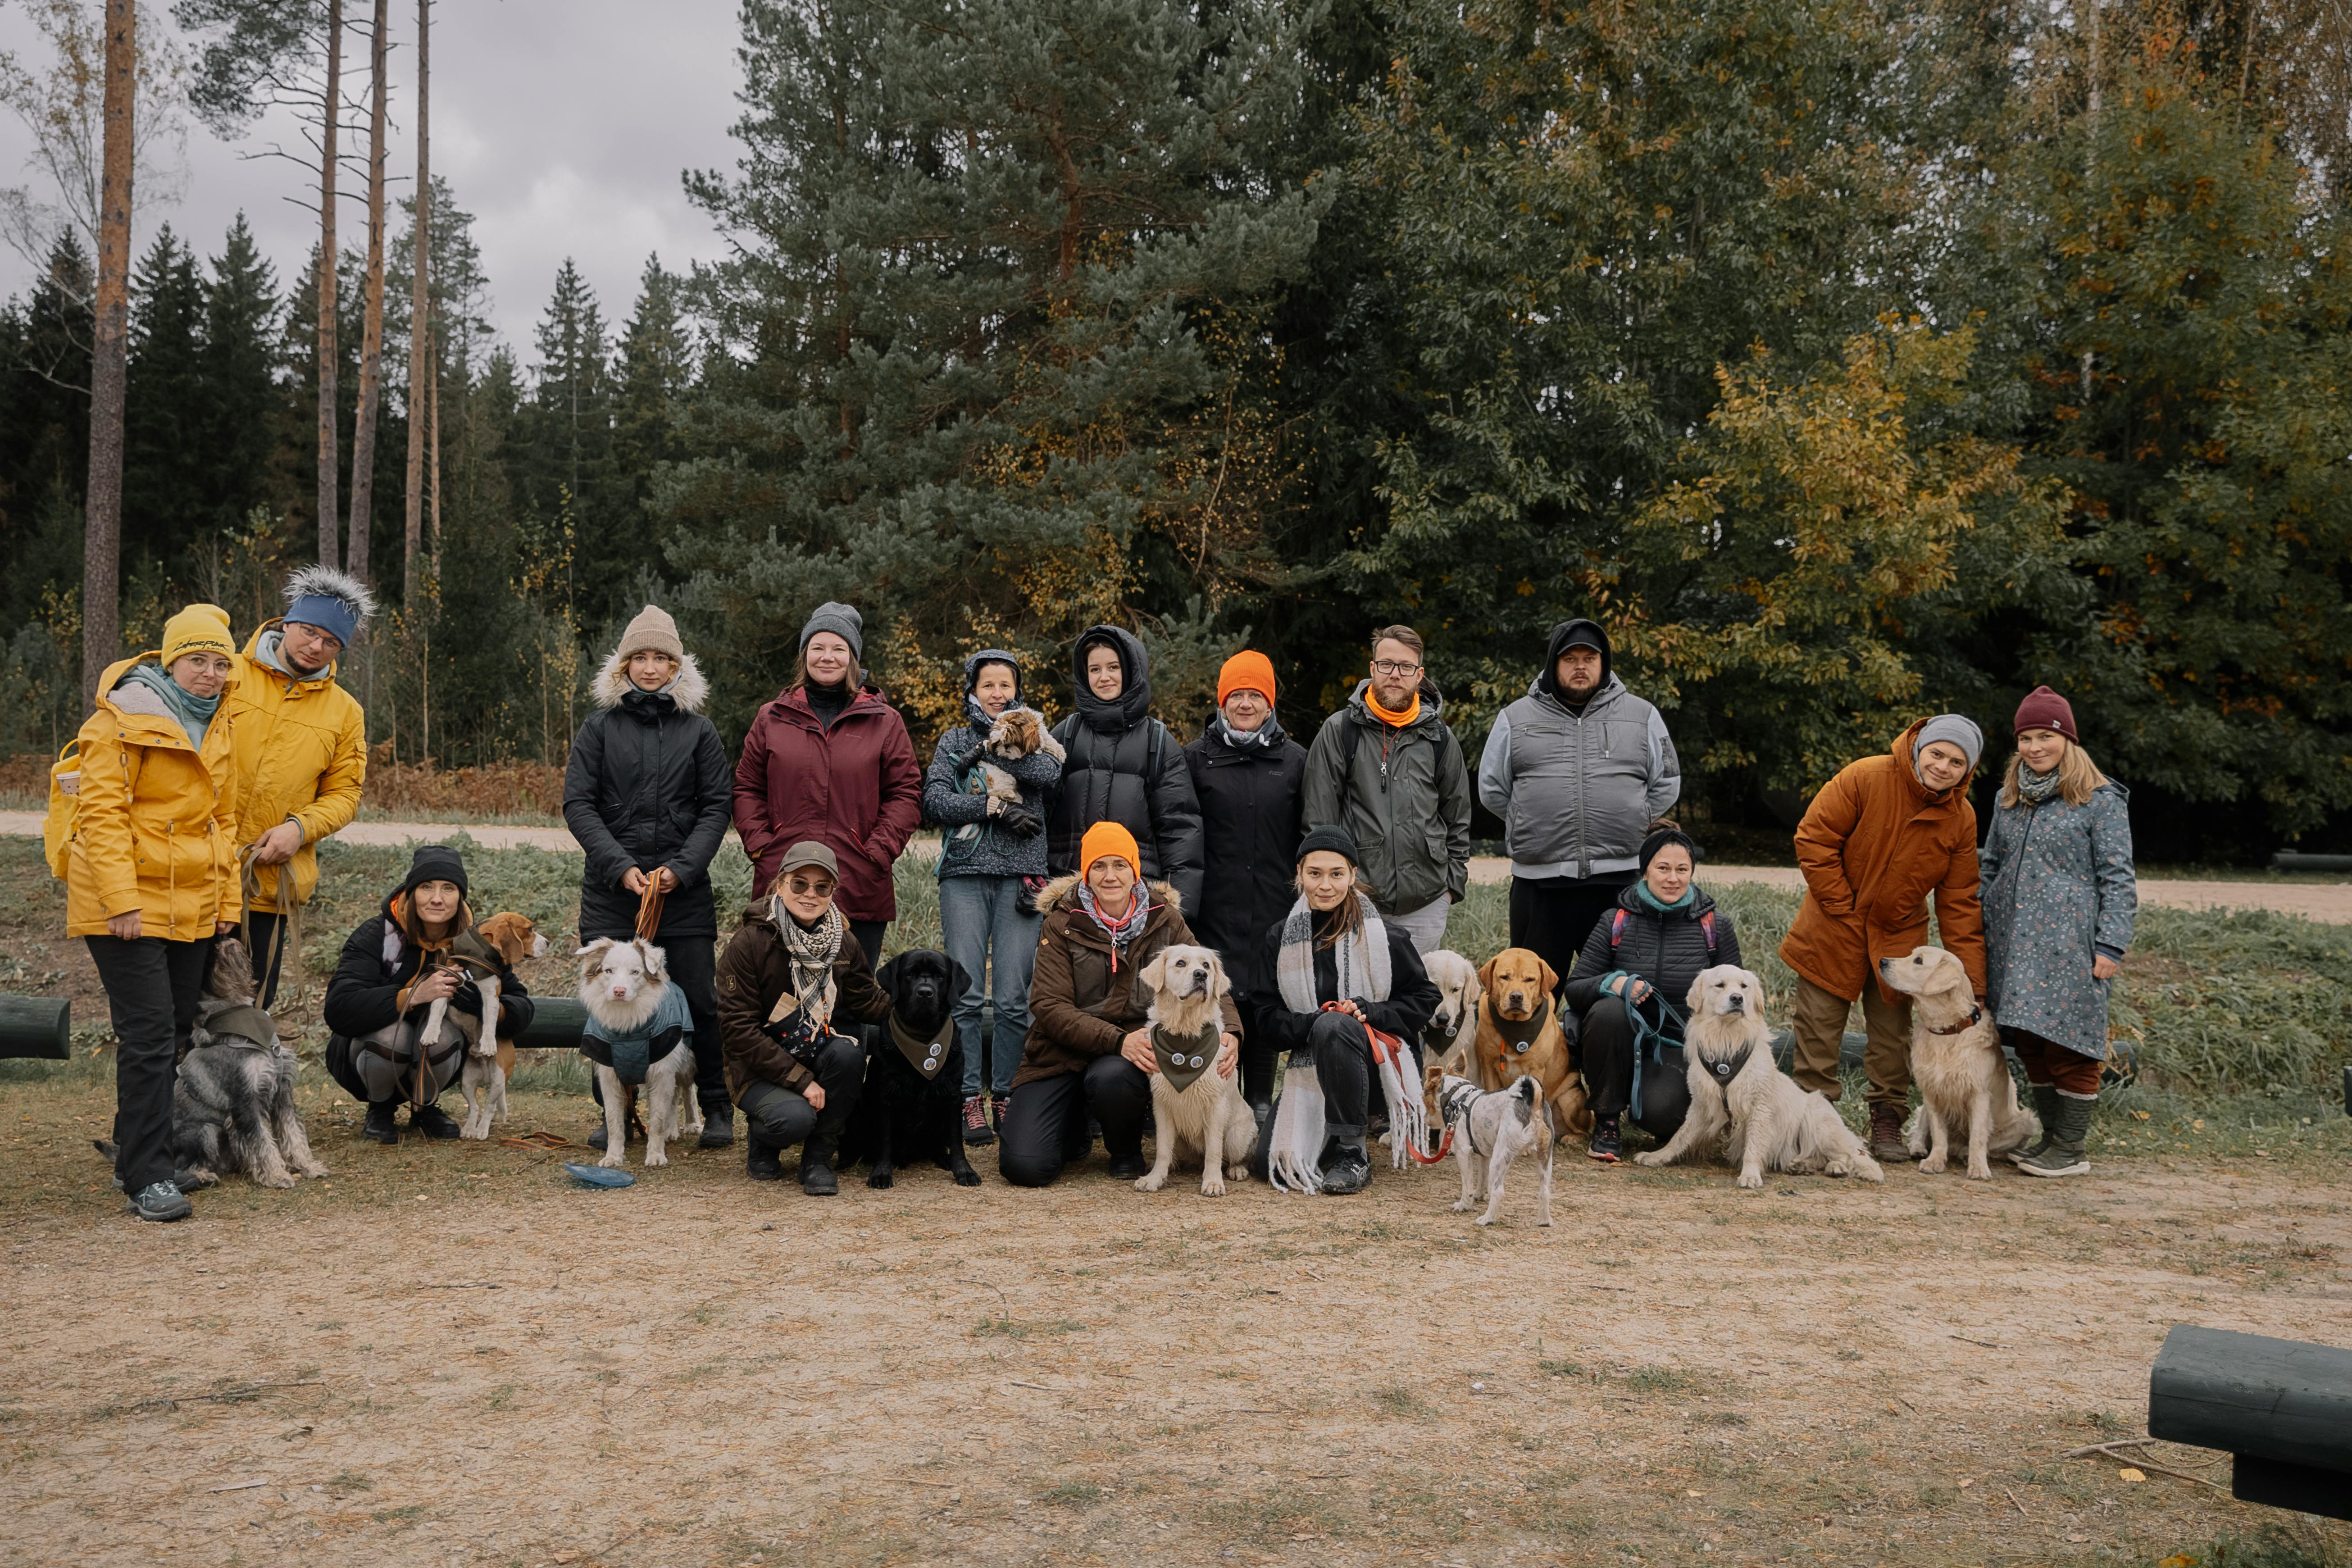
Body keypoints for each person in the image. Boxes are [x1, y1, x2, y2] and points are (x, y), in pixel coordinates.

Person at [66, 604, 243, 1222]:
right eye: (199, 660)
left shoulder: (219, 724)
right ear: (171, 661)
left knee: (170, 1034)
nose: (211, 673)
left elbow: (223, 822)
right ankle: (148, 1176)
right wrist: (121, 900)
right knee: (146, 1037)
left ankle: (140, 1158)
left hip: (192, 903)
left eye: (222, 662)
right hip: (126, 905)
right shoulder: (118, 720)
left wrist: (226, 903)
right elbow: (102, 817)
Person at [564, 605, 736, 1150]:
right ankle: (617, 1117)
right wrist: (622, 867)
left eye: (662, 657)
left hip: (682, 896)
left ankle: (714, 1108)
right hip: (611, 893)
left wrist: (679, 870)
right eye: (640, 656)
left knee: (699, 1004)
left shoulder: (700, 731)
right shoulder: (598, 728)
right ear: (624, 664)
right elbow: (578, 804)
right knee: (610, 1001)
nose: (651, 667)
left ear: (677, 666)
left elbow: (716, 808)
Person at [1781, 715, 1988, 1164]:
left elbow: (1959, 903)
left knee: (1893, 1037)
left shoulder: (1962, 818)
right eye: (1937, 753)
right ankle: (1814, 1126)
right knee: (1817, 1030)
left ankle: (1888, 1117)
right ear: (1919, 749)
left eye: (1956, 761)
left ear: (1967, 770)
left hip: (1900, 939)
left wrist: (1973, 983)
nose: (1942, 766)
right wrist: (1841, 906)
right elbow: (1814, 838)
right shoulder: (1865, 775)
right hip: (1832, 925)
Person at [1000, 821, 1237, 1188]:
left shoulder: (1165, 918)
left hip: (1122, 1058)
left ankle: (1125, 1151)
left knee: (1116, 1075)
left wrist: (1232, 1032)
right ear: (1087, 873)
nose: (1110, 875)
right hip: (1059, 1054)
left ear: (1134, 870)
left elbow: (1204, 973)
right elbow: (1047, 1005)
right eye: (1099, 866)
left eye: (1120, 865)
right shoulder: (1060, 922)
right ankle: (1074, 1126)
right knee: (1026, 1166)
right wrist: (1115, 1039)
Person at [1978, 687, 2137, 1179]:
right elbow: (1990, 865)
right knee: (2028, 1041)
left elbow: (2118, 876)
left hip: (2069, 946)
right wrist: (1979, 920)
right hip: (2010, 944)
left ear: (2066, 739)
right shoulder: (2010, 798)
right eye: (2025, 737)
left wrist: (2110, 943)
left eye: (2044, 735)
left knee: (2070, 1042)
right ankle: (2049, 1139)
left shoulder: (2099, 800)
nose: (2033, 746)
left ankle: (2070, 1146)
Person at [1479, 618, 1682, 983]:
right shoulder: (1515, 717)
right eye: (1569, 658)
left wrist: (1636, 817)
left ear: (1604, 664)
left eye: (1589, 657)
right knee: (1528, 1002)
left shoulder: (1642, 715)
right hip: (1539, 885)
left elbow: (1666, 781)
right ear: (1552, 664)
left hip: (1618, 883)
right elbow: (1492, 788)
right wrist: (1526, 818)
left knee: (1615, 997)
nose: (1580, 666)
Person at [1247, 826, 1439, 1195]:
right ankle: (1327, 1138)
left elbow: (1424, 999)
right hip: (1313, 1066)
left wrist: (1371, 1011)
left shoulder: (1386, 936)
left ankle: (1353, 1152)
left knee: (1336, 1027)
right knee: (1267, 1164)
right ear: (1299, 875)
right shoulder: (1278, 938)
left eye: (1336, 874)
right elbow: (1266, 1018)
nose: (1325, 885)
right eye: (1314, 873)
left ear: (1353, 876)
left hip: (1377, 1069)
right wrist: (1311, 1023)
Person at [732, 602, 922, 968]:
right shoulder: (772, 717)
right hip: (785, 880)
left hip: (858, 880)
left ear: (853, 658)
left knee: (852, 1002)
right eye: (817, 648)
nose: (827, 657)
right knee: (779, 999)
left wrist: (877, 853)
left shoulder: (885, 721)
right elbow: (747, 788)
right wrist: (762, 846)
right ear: (805, 656)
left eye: (838, 648)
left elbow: (906, 794)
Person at [922, 648, 1059, 1144]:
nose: (998, 694)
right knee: (964, 993)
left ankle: (1006, 1093)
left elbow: (1049, 777)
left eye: (1006, 685)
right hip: (964, 874)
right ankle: (965, 1099)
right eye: (988, 686)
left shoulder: (1036, 738)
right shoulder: (955, 740)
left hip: (1022, 878)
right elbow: (935, 799)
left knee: (1013, 997)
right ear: (972, 691)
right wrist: (993, 808)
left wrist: (1005, 743)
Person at [225, 566, 373, 1007]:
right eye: (309, 631)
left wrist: (299, 828)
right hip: (195, 875)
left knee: (246, 1012)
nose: (316, 647)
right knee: (179, 1010)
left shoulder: (345, 713)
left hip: (268, 887)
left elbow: (345, 794)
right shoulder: (223, 674)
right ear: (286, 622)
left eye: (331, 642)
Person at [323, 844, 537, 1145]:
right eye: (426, 887)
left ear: (460, 896)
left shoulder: (478, 943)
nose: (437, 898)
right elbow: (339, 1007)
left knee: (445, 1036)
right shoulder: (376, 935)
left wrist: (483, 1005)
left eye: (448, 888)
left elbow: (521, 1007)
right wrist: (410, 996)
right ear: (411, 893)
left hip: (438, 1050)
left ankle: (425, 1108)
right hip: (365, 1054)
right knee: (391, 1036)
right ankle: (380, 1108)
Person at [716, 842, 896, 1195]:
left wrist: (914, 1005)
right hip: (757, 1067)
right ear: (780, 885)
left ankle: (817, 1159)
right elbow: (737, 1030)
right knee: (795, 1118)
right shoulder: (748, 943)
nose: (810, 894)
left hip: (815, 1049)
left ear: (833, 892)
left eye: (822, 887)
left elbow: (866, 1000)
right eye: (799, 884)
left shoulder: (843, 942)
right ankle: (763, 1139)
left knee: (849, 1054)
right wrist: (800, 1080)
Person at [1561, 821, 1743, 1163]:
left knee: (1663, 1118)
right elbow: (1574, 989)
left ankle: (1654, 1106)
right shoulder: (1615, 920)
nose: (1672, 878)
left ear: (1692, 872)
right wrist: (1612, 983)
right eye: (1662, 868)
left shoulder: (1715, 926)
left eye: (1681, 869)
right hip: (1618, 1042)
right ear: (1644, 871)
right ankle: (1607, 1120)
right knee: (1609, 1010)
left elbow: (1736, 1001)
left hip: (1679, 1047)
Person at [1183, 650, 1306, 1114]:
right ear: (1223, 700)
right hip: (1216, 904)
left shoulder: (1294, 760)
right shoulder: (1196, 758)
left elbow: (1306, 832)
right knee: (1219, 997)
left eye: (1256, 694)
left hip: (1275, 903)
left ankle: (1259, 1101)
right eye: (1238, 694)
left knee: (1265, 1001)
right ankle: (1212, 1101)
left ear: (1270, 703)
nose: (1247, 703)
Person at [1300, 625, 1470, 954]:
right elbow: (1318, 821)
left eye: (1405, 667)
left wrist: (1451, 886)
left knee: (1417, 1000)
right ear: (1372, 668)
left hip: (1427, 901)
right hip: (1358, 901)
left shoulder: (1440, 737)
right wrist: (1334, 889)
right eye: (1387, 664)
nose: (1395, 674)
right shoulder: (1341, 730)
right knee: (1360, 1000)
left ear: (1419, 674)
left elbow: (1458, 817)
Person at [1044, 623, 1205, 915]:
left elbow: (1180, 828)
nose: (1104, 677)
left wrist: (1181, 911)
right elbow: (1037, 813)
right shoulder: (1064, 735)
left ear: (1131, 671)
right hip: (1069, 895)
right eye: (1094, 669)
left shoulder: (1157, 741)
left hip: (1137, 899)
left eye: (1113, 667)